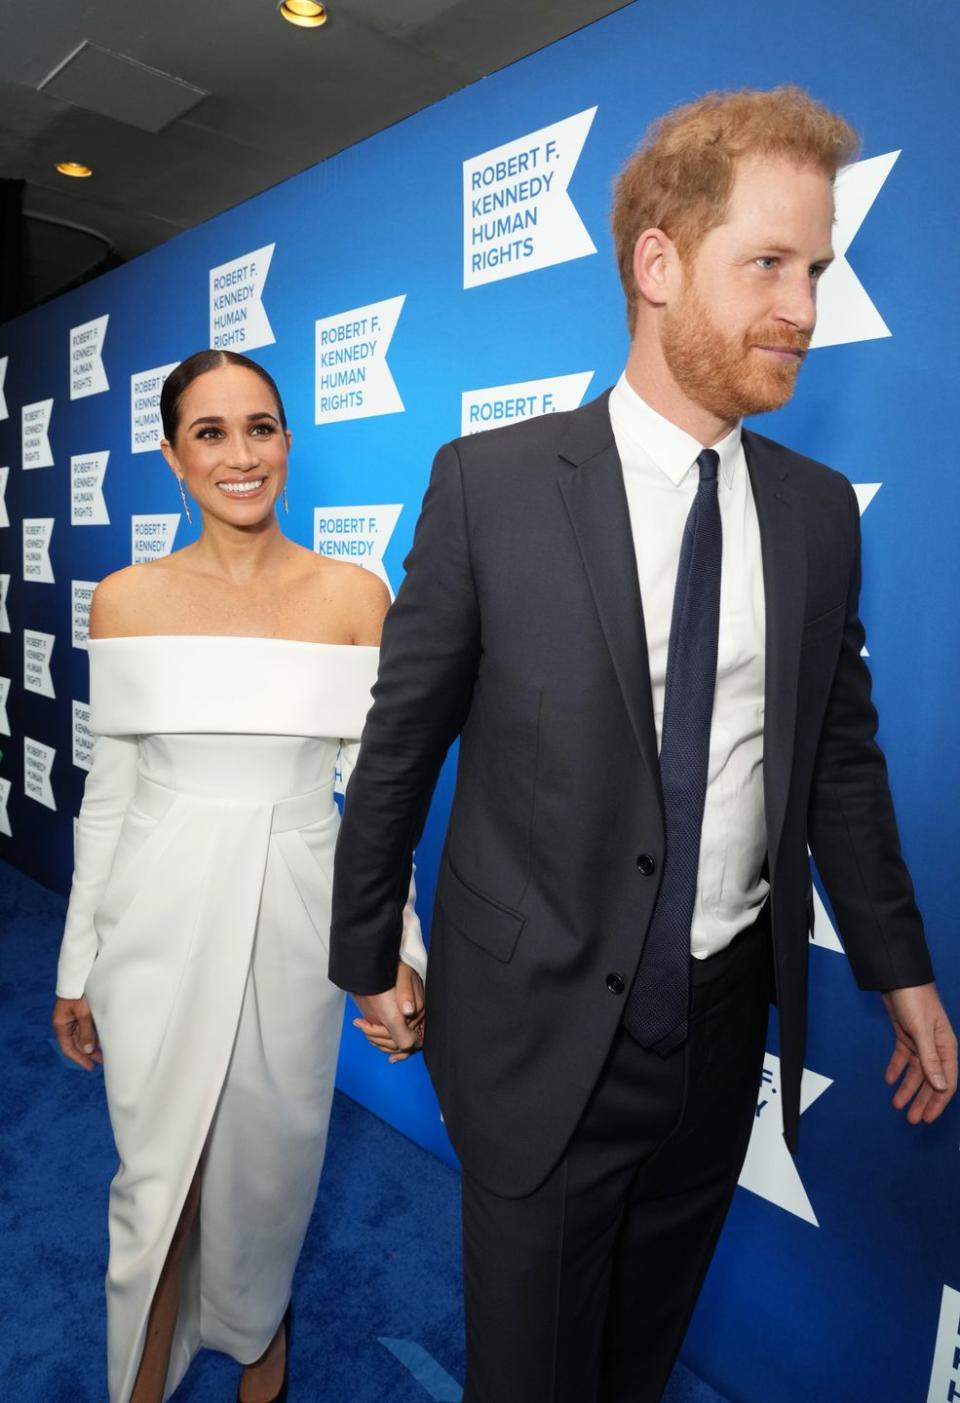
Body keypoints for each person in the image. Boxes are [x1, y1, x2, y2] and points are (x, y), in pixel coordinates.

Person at [330, 86, 958, 1402]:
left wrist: (900, 967)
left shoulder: (818, 511)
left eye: (820, 269)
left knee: (636, 1355)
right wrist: (365, 949)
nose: (804, 305)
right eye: (770, 264)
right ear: (658, 262)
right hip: (532, 1021)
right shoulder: (488, 486)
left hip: (723, 1026)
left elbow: (838, 753)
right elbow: (401, 741)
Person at [51, 349, 426, 1403]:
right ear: (173, 457)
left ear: (289, 444)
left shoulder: (356, 596)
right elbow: (112, 798)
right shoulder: (126, 600)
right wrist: (77, 961)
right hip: (154, 921)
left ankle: (262, 1347)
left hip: (296, 912)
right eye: (210, 432)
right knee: (159, 1182)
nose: (240, 453)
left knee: (264, 1175)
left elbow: (377, 803)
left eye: (260, 427)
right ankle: (142, 1380)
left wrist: (399, 948)